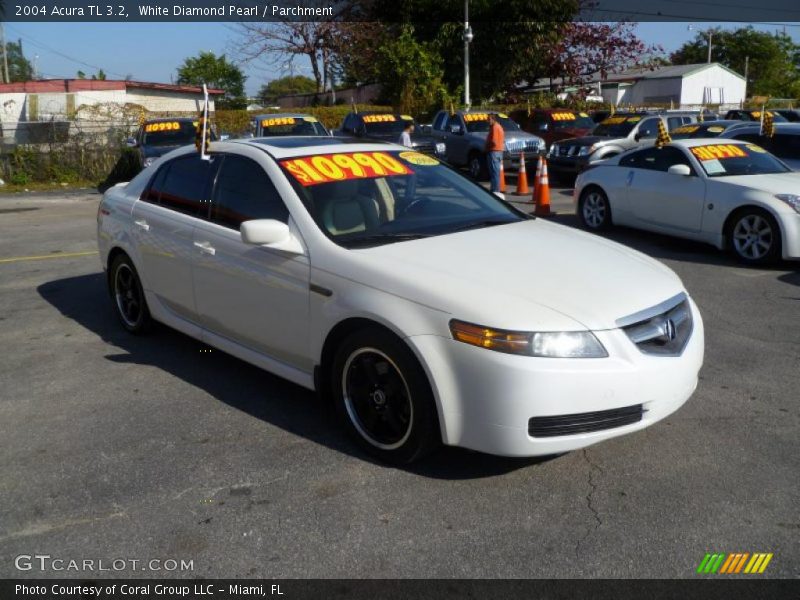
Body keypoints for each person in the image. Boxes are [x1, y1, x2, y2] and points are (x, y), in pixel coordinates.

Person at [484, 113, 505, 193]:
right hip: (497, 152)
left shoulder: (495, 127)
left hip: (494, 152)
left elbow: (494, 141)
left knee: (494, 172)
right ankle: (494, 189)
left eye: (489, 119)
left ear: (493, 119)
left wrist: (487, 147)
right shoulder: (496, 127)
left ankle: (495, 190)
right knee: (495, 172)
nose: (488, 121)